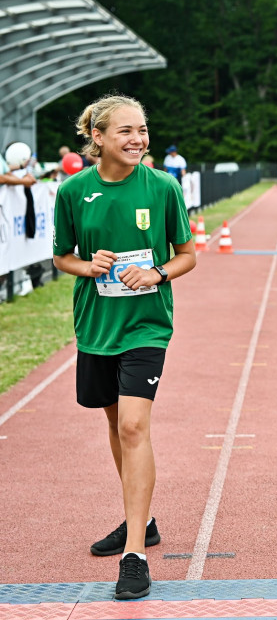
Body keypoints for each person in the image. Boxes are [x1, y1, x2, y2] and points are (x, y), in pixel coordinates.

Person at [52, 95, 196, 599]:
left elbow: (187, 256)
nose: (138, 139)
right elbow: (61, 258)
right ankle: (145, 519)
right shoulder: (73, 191)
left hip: (146, 326)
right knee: (116, 426)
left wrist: (155, 272)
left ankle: (134, 552)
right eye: (125, 131)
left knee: (135, 425)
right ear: (98, 137)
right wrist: (88, 266)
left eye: (143, 129)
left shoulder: (162, 187)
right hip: (96, 326)